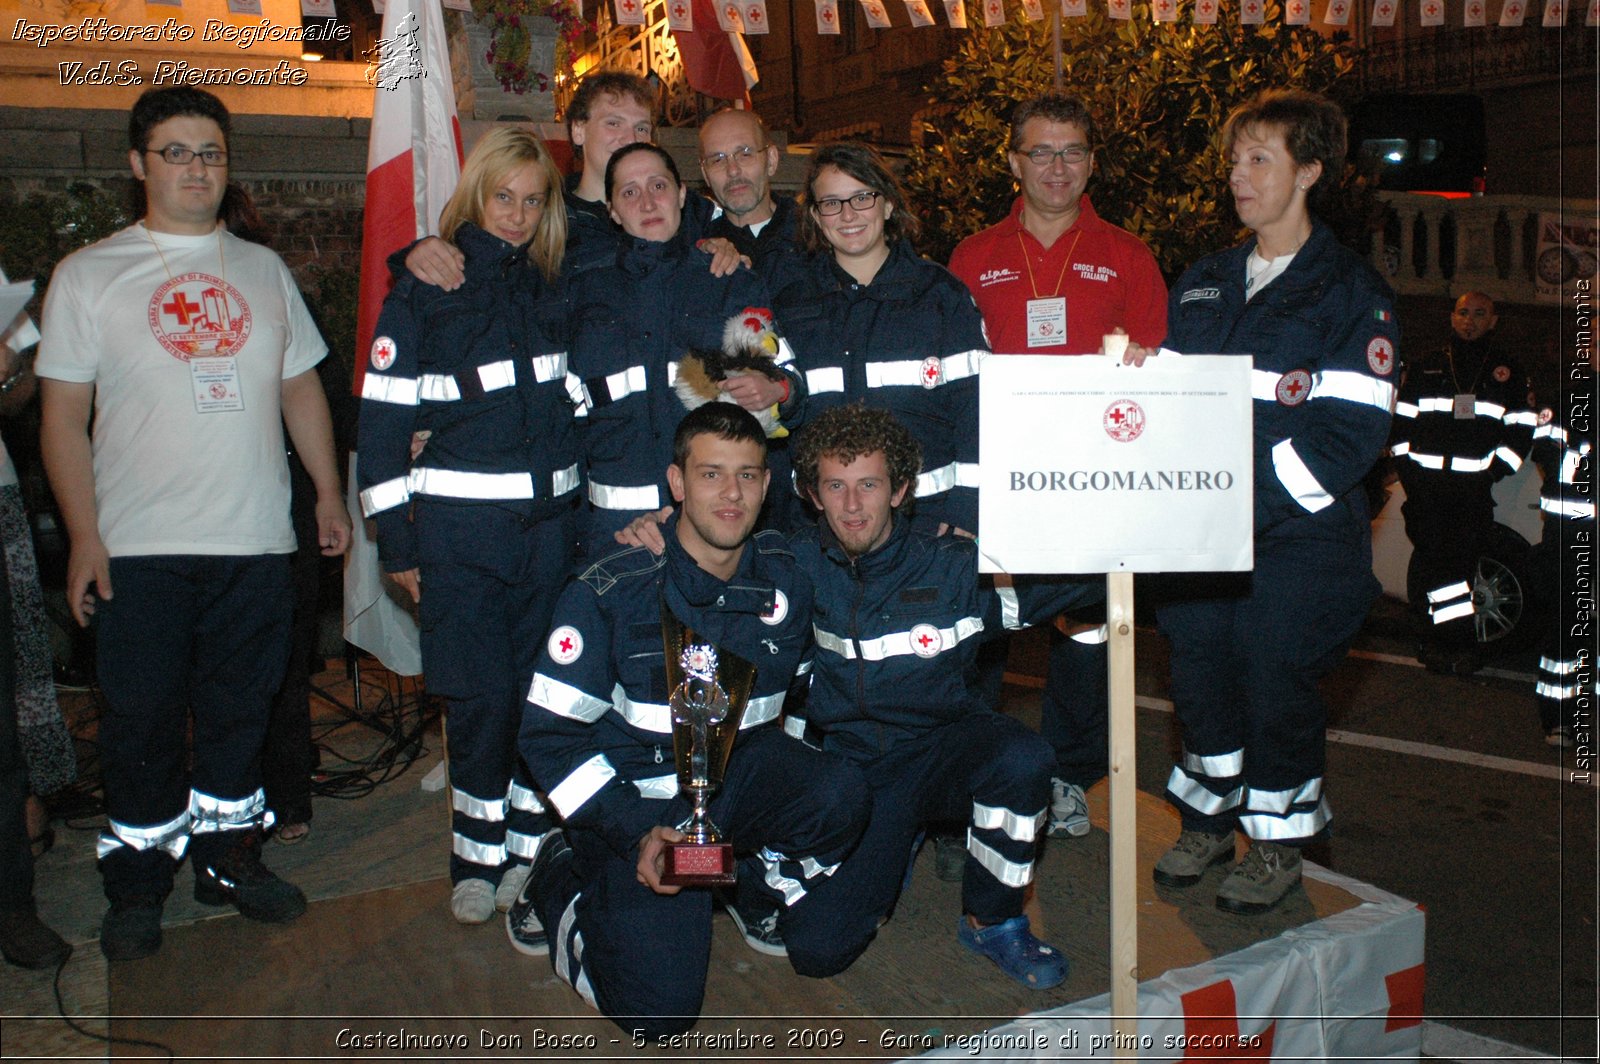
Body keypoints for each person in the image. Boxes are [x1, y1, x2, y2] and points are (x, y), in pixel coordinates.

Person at [618, 404, 1100, 988]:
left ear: (901, 490)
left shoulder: (952, 565)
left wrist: (1163, 534)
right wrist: (660, 529)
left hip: (945, 752)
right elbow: (712, 544)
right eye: (835, 487)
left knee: (1023, 759)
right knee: (816, 951)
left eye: (869, 485)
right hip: (857, 779)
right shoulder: (790, 565)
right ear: (812, 496)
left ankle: (994, 920)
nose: (852, 506)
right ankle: (886, 846)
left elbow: (1088, 570)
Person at [36, 87, 351, 961]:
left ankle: (226, 857)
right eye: (175, 152)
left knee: (239, 718)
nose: (195, 168)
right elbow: (62, 418)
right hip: (138, 548)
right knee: (137, 724)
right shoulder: (90, 275)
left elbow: (298, 388)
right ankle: (138, 881)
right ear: (139, 164)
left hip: (254, 543)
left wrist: (327, 494)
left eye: (209, 152)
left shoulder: (261, 269)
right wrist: (85, 536)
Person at [509, 404, 868, 1038]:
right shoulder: (611, 589)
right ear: (676, 484)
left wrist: (957, 541)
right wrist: (634, 831)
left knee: (841, 791)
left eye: (749, 475)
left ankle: (745, 880)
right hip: (632, 812)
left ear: (767, 483)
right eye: (710, 474)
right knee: (659, 1013)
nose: (732, 493)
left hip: (728, 789)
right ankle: (561, 878)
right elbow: (548, 736)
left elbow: (868, 552)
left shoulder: (790, 577)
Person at [1127, 90, 1397, 914]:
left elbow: (1348, 437)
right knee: (1201, 671)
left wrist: (1245, 505)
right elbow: (1180, 403)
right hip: (1204, 532)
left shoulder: (1350, 291)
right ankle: (1209, 819)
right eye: (1235, 159)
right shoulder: (1206, 280)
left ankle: (1277, 842)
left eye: (1259, 160)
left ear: (1309, 171)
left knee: (1274, 675)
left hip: (1299, 537)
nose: (1238, 176)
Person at [357, 128, 580, 924]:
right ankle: (476, 862)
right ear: (475, 194)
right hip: (462, 545)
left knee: (540, 701)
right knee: (480, 704)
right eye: (502, 196)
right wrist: (400, 545)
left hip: (552, 539)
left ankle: (525, 849)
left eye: (532, 199)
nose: (516, 215)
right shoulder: (426, 288)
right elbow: (382, 430)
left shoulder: (558, 281)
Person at [948, 92, 1169, 842]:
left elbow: (1159, 375)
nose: (1056, 166)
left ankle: (1071, 777)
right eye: (1040, 151)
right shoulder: (973, 256)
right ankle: (970, 779)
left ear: (1091, 162)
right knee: (978, 632)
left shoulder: (1129, 256)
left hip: (1091, 483)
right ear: (1013, 161)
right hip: (995, 477)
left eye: (1071, 151)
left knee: (1086, 635)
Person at [567, 142, 802, 549]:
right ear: (612, 210)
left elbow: (789, 380)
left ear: (680, 195)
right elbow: (563, 413)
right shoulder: (584, 292)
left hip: (712, 527)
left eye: (658, 185)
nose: (646, 202)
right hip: (613, 531)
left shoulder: (729, 280)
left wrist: (780, 389)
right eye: (629, 192)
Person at [773, 143, 987, 536]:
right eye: (832, 203)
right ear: (816, 218)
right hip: (825, 538)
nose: (849, 214)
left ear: (888, 205)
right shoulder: (792, 308)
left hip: (930, 530)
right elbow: (782, 430)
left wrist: (965, 516)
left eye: (862, 197)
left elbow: (981, 413)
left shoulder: (942, 298)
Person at [1390, 291, 1534, 674]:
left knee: (1461, 571)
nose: (1470, 320)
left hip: (1472, 492)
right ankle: (1441, 643)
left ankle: (1451, 644)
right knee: (1433, 570)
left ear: (1493, 320)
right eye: (1463, 312)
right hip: (1427, 490)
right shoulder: (1429, 364)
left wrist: (1492, 473)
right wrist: (1410, 474)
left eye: (1479, 313)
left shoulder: (1507, 370)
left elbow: (1521, 430)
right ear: (1452, 317)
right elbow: (1401, 423)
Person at [1529, 358, 1595, 746]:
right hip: (1569, 535)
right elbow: (1545, 449)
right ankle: (1559, 717)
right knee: (1565, 626)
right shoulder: (1567, 397)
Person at [697, 108, 800, 279]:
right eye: (718, 159)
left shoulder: (815, 236)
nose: (733, 171)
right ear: (705, 174)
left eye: (745, 154)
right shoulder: (699, 255)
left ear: (771, 160)